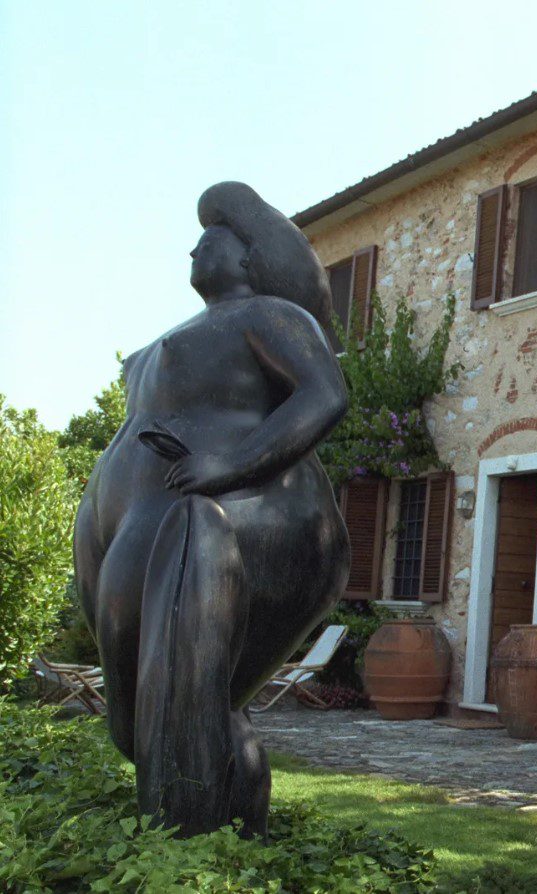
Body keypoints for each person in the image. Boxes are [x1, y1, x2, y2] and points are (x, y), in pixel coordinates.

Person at [73, 182, 351, 836]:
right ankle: (226, 841)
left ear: (251, 261)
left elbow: (323, 394)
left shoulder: (268, 318)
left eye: (213, 237)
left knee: (191, 697)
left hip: (222, 524)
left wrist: (230, 465)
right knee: (139, 718)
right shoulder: (155, 349)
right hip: (138, 538)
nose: (195, 246)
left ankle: (204, 841)